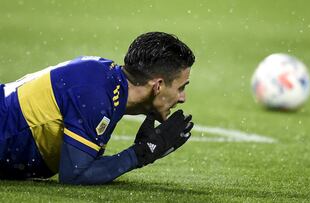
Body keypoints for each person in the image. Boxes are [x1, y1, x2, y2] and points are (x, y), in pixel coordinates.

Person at [0, 32, 195, 184]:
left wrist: (141, 152)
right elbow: (75, 175)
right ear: (158, 85)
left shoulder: (104, 77)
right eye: (181, 87)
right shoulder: (97, 94)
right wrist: (141, 153)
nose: (183, 98)